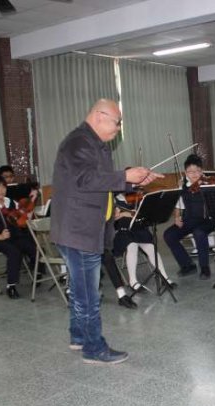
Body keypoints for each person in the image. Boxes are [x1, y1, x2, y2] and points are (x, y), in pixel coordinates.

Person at [51, 98, 162, 365]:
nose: (119, 128)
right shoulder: (79, 142)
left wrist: (133, 182)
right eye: (117, 122)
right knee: (89, 294)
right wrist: (125, 176)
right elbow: (85, 180)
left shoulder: (92, 143)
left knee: (80, 289)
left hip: (83, 228)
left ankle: (79, 336)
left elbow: (99, 182)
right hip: (79, 230)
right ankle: (93, 348)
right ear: (100, 116)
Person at [0, 175, 38, 299]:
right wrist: (0, 236)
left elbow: (23, 218)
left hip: (15, 236)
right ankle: (11, 285)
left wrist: (31, 204)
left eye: (3, 187)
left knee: (33, 246)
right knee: (14, 252)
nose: (1, 190)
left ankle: (38, 272)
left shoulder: (11, 202)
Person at [163, 154, 215, 281]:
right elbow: (178, 204)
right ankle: (187, 265)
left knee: (199, 232)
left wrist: (207, 185)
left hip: (206, 220)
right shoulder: (183, 185)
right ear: (185, 172)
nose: (194, 174)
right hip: (189, 220)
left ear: (201, 171)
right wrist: (177, 217)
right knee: (169, 235)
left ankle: (204, 267)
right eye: (190, 172)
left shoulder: (208, 183)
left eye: (197, 171)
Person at [113, 193, 174, 292]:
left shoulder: (136, 196)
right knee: (132, 246)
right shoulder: (114, 199)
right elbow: (112, 218)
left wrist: (137, 213)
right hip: (122, 232)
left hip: (138, 229)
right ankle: (133, 281)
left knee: (151, 248)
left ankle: (164, 277)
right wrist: (123, 214)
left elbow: (144, 214)